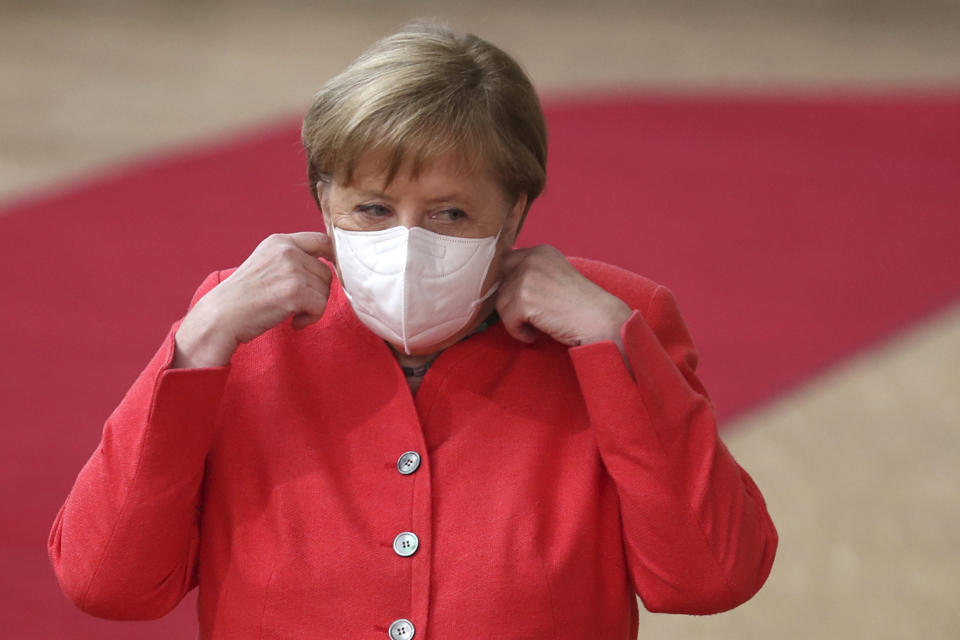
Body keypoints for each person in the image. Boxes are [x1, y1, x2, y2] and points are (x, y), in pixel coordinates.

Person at [49, 20, 777, 640]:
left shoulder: (617, 319)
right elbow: (106, 583)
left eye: (449, 213)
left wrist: (615, 347)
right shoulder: (242, 327)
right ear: (322, 200)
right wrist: (196, 344)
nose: (407, 240)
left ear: (517, 211)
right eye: (371, 209)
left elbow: (709, 578)